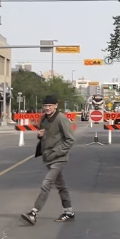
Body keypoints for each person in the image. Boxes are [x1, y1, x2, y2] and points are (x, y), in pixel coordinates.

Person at [21, 95, 76, 224]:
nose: (47, 108)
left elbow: (70, 139)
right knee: (61, 185)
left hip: (59, 158)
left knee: (46, 184)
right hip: (48, 157)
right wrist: (40, 136)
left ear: (56, 106)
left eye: (50, 106)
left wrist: (57, 152)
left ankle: (34, 213)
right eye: (45, 106)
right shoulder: (44, 119)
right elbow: (45, 136)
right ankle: (69, 211)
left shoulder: (61, 119)